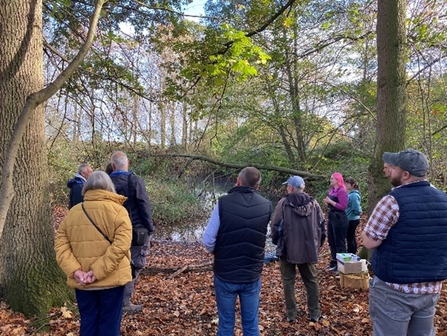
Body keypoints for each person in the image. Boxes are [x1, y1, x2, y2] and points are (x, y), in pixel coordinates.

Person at [361, 149, 447, 336]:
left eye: (394, 169)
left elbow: (368, 242)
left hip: (394, 291)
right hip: (430, 290)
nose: (389, 171)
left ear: (405, 174)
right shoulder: (444, 200)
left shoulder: (392, 201)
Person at [55, 171, 132, 336]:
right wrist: (97, 272)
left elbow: (61, 246)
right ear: (109, 187)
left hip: (83, 282)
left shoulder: (73, 213)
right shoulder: (119, 211)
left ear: (86, 187)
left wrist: (76, 271)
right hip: (112, 279)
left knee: (88, 323)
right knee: (109, 324)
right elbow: (121, 246)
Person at [202, 167, 272, 336]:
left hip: (226, 273)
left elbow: (207, 240)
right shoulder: (267, 205)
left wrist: (219, 253)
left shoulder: (223, 203)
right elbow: (265, 236)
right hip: (251, 273)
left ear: (238, 181)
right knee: (251, 324)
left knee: (226, 325)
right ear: (258, 186)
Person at [271, 176, 325, 323]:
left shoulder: (283, 203)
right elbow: (321, 226)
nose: (286, 188)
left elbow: (275, 226)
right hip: (308, 250)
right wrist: (317, 245)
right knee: (311, 281)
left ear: (290, 188)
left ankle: (291, 314)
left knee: (288, 281)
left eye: (287, 186)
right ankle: (314, 313)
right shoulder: (314, 204)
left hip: (287, 250)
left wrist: (277, 241)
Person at [109, 151, 154, 313]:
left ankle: (113, 300)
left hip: (111, 232)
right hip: (136, 232)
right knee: (134, 265)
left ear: (113, 166)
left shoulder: (106, 183)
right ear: (127, 163)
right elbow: (144, 206)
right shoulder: (135, 181)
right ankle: (125, 303)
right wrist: (150, 228)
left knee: (114, 264)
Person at [323, 172, 349, 271]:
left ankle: (342, 265)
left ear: (338, 180)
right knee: (331, 240)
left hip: (339, 218)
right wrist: (327, 203)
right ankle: (334, 262)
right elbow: (332, 203)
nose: (330, 180)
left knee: (339, 242)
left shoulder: (342, 191)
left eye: (332, 178)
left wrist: (331, 202)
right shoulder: (332, 190)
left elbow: (343, 206)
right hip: (332, 216)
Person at [344, 177, 362, 254]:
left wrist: (358, 212)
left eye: (347, 184)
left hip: (352, 219)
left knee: (350, 237)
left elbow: (356, 208)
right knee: (351, 237)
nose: (346, 185)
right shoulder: (350, 194)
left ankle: (351, 253)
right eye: (345, 183)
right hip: (349, 218)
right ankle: (353, 252)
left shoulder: (354, 195)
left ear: (353, 185)